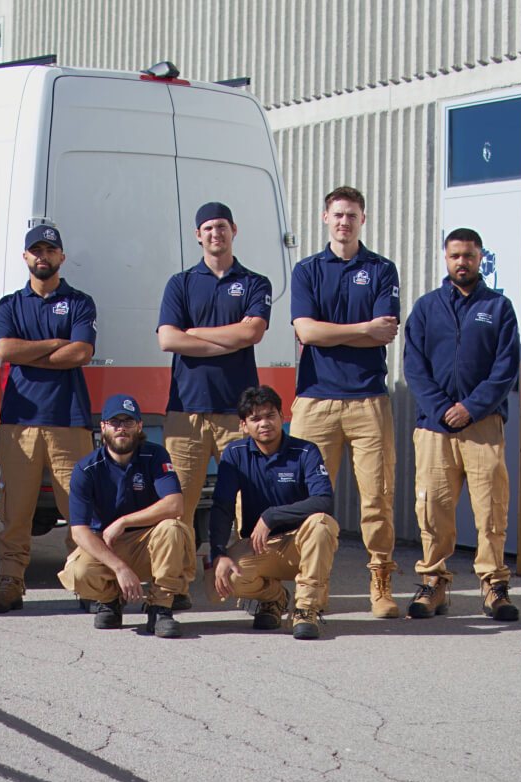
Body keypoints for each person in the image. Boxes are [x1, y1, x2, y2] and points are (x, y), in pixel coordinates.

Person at [289, 186, 401, 618]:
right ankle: (309, 591)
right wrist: (361, 329)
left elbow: (385, 330)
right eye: (337, 215)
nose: (344, 222)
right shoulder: (307, 270)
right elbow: (307, 333)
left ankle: (381, 582)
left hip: (368, 400)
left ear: (363, 220)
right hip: (315, 400)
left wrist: (331, 328)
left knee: (377, 499)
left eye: (352, 215)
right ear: (324, 218)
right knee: (306, 499)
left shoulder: (381, 269)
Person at [157, 201, 271, 610]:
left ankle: (251, 584)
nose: (214, 234)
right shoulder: (181, 283)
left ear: (234, 230)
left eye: (221, 226)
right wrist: (230, 335)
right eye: (207, 228)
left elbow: (253, 332)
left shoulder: (255, 282)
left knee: (249, 501)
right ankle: (175, 586)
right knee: (178, 506)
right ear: (197, 235)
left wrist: (197, 333)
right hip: (186, 410)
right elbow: (169, 340)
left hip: (238, 414)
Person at [402, 228, 521, 620]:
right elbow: (414, 367)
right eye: (455, 256)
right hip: (435, 427)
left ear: (480, 257)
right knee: (433, 509)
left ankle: (494, 585)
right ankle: (434, 583)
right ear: (446, 258)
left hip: (483, 424)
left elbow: (506, 367)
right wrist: (441, 408)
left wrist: (471, 407)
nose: (462, 262)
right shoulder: (426, 308)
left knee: (490, 509)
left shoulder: (499, 308)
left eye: (469, 256)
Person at [0, 224, 96, 613]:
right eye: (36, 251)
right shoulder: (10, 305)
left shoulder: (80, 302)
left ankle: (88, 582)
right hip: (19, 422)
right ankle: (10, 583)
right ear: (25, 257)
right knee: (14, 512)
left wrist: (29, 353)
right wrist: (54, 344)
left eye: (50, 250)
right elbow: (4, 348)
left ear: (61, 257)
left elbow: (81, 352)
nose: (42, 257)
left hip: (69, 420)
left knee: (79, 511)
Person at [208, 386, 339, 640]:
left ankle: (306, 609)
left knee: (322, 524)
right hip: (261, 546)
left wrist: (272, 515)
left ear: (282, 416)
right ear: (244, 425)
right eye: (256, 419)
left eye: (270, 415)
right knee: (218, 583)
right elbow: (222, 507)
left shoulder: (305, 452)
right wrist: (218, 553)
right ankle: (274, 598)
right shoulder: (234, 455)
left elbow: (324, 501)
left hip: (300, 544)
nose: (264, 423)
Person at [59, 394, 190, 637]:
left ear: (139, 426)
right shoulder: (86, 468)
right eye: (115, 422)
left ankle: (160, 607)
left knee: (172, 528)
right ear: (103, 427)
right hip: (108, 545)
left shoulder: (155, 455)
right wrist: (119, 568)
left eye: (128, 422)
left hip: (148, 543)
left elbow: (175, 504)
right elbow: (79, 531)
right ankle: (109, 601)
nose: (122, 429)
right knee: (78, 570)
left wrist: (124, 521)